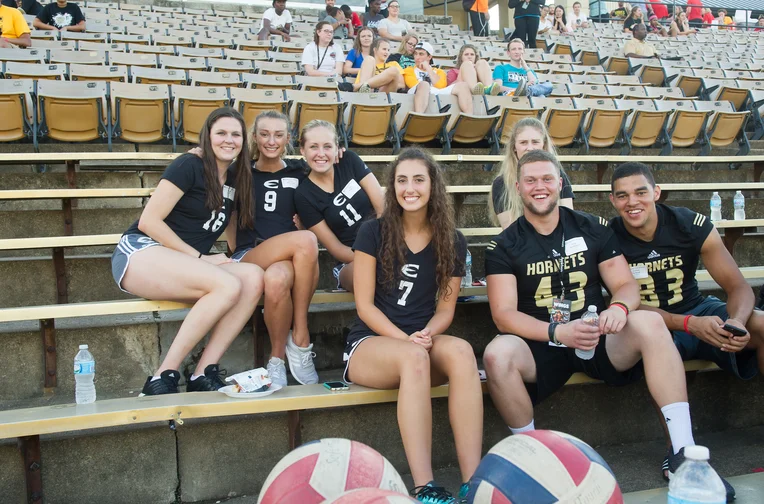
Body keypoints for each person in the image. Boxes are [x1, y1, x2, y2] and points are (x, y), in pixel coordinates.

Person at [482, 149, 735, 502]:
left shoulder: (590, 227)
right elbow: (503, 314)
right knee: (496, 354)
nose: (539, 187)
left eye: (546, 179)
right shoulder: (504, 243)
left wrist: (618, 307)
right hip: (543, 341)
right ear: (518, 187)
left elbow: (626, 285)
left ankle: (683, 453)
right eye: (531, 181)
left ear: (559, 183)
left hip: (595, 334)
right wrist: (557, 332)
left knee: (648, 322)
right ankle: (531, 454)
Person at [609, 163, 761, 487]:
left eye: (640, 192)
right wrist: (688, 324)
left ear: (656, 192)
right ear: (612, 200)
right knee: (652, 338)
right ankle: (676, 450)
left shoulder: (688, 224)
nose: (632, 202)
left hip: (695, 307)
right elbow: (626, 304)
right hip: (654, 323)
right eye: (622, 195)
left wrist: (736, 321)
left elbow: (739, 287)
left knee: (761, 324)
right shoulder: (608, 238)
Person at [345, 147, 482, 504]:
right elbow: (364, 307)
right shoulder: (372, 232)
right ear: (392, 188)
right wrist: (407, 340)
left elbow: (446, 309)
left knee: (464, 352)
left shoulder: (452, 239)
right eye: (402, 180)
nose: (410, 188)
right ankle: (426, 487)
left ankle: (474, 481)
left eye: (419, 179)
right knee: (414, 358)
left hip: (420, 342)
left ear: (433, 186)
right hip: (372, 345)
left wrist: (428, 334)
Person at [111, 108, 262, 396]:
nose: (228, 140)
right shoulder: (189, 165)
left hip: (183, 263)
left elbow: (230, 229)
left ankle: (204, 372)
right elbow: (149, 221)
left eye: (235, 134)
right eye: (221, 133)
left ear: (244, 140)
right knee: (226, 282)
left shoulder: (234, 178)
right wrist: (199, 258)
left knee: (253, 276)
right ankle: (163, 375)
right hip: (141, 253)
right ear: (207, 136)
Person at [228, 111, 320, 388]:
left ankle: (277, 359)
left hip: (289, 261)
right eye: (264, 134)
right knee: (305, 240)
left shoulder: (299, 171)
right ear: (254, 137)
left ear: (288, 138)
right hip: (251, 253)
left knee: (277, 279)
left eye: (278, 135)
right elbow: (227, 214)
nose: (271, 141)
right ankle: (300, 335)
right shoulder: (239, 170)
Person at [295, 121, 384, 293]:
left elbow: (382, 208)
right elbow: (335, 248)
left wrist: (386, 250)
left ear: (337, 148)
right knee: (371, 272)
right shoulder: (303, 195)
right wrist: (373, 258)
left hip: (384, 244)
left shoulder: (349, 161)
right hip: (350, 261)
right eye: (314, 147)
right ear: (302, 150)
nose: (321, 154)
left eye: (327, 146)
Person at [489, 118, 574, 229]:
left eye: (535, 142)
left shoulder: (558, 175)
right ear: (514, 147)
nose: (530, 148)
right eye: (523, 142)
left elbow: (569, 221)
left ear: (543, 145)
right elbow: (511, 233)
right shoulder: (502, 183)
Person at [402, 41, 474, 115]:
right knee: (424, 84)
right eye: (415, 54)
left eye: (421, 54)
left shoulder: (439, 72)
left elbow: (440, 86)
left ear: (429, 57)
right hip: (418, 91)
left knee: (463, 85)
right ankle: (419, 116)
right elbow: (413, 84)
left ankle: (469, 117)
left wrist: (428, 69)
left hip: (436, 91)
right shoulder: (408, 70)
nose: (417, 57)